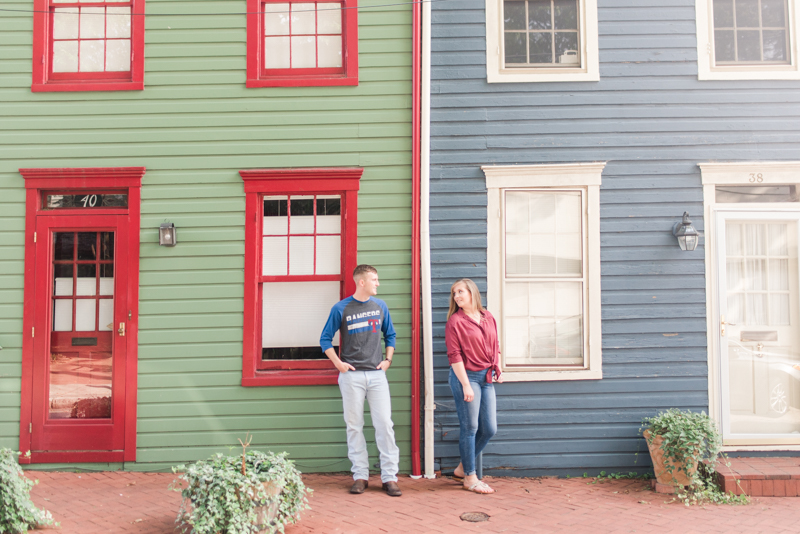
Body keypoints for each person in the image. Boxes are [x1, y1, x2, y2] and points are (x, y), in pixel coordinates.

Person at [320, 264, 402, 497]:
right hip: (351, 377)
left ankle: (389, 477)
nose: (378, 283)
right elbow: (325, 339)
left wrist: (388, 360)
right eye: (374, 279)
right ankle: (360, 476)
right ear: (362, 282)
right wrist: (338, 364)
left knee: (384, 425)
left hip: (377, 375)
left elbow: (391, 335)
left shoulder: (380, 306)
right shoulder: (341, 308)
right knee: (354, 426)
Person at [445, 278, 503, 494]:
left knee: (489, 428)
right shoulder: (455, 322)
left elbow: (495, 344)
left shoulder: (488, 317)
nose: (457, 296)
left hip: (486, 378)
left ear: (472, 293)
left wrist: (497, 366)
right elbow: (454, 356)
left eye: (460, 291)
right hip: (465, 377)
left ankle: (462, 467)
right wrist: (466, 385)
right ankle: (470, 477)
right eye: (454, 293)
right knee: (470, 428)